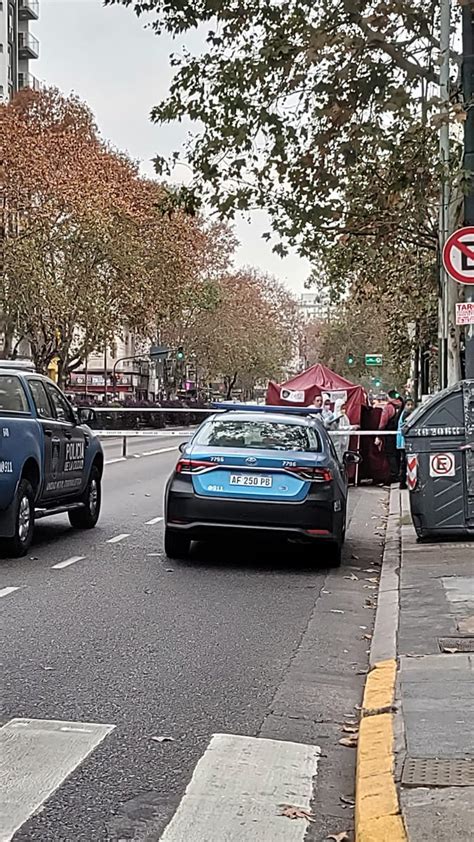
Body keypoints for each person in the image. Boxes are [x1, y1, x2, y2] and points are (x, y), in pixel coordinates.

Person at [375, 389, 404, 483]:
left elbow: (383, 422)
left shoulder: (388, 408)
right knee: (398, 455)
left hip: (390, 435)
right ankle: (400, 474)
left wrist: (378, 435)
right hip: (400, 436)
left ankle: (394, 476)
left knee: (390, 454)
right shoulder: (403, 406)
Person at [397, 398, 415, 489]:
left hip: (402, 442)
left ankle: (403, 482)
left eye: (411, 405)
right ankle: (402, 482)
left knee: (404, 462)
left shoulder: (402, 414)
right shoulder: (406, 415)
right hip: (404, 442)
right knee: (404, 463)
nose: (410, 407)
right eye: (408, 405)